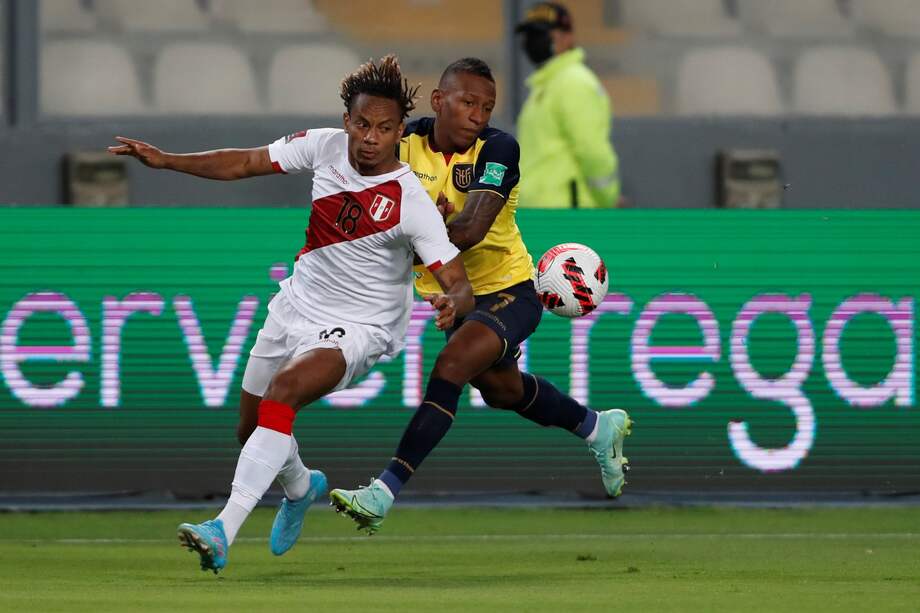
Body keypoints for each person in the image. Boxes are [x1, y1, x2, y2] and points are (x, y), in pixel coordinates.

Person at [108, 55, 473, 573]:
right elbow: (246, 162)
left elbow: (461, 286)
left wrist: (448, 303)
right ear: (347, 120)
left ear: (399, 132)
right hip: (297, 304)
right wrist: (168, 161)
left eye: (385, 129)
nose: (371, 138)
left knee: (283, 395)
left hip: (362, 325)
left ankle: (223, 529)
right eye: (363, 124)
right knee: (251, 427)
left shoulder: (410, 199)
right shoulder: (324, 146)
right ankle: (302, 488)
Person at [329, 58, 632, 535]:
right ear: (438, 101)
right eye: (468, 103)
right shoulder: (402, 142)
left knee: (451, 367)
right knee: (502, 390)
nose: (477, 115)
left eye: (486, 107)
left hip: (509, 289)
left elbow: (469, 230)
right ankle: (598, 427)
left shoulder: (499, 149)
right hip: (454, 295)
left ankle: (383, 491)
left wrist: (419, 228)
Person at [515, 2, 621, 209]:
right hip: (542, 213)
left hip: (568, 216)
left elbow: (592, 150)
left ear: (567, 36)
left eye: (542, 35)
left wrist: (607, 200)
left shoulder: (574, 82)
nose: (532, 42)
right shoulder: (547, 84)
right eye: (529, 35)